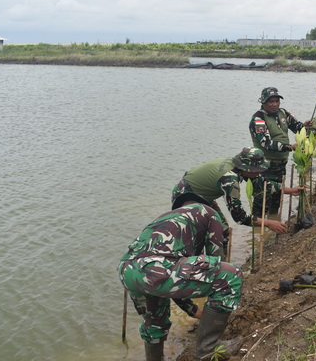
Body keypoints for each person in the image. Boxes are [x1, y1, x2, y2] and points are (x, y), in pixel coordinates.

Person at [118, 194, 242, 361]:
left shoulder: (166, 220)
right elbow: (214, 262)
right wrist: (219, 302)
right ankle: (208, 351)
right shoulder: (210, 213)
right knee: (230, 277)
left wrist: (192, 310)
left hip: (128, 271)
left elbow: (175, 278)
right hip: (157, 268)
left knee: (156, 320)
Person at [172, 147, 302, 236]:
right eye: (258, 169)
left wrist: (289, 190)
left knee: (222, 230)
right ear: (248, 169)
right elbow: (239, 217)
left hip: (203, 196)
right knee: (202, 233)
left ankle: (218, 264)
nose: (261, 171)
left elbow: (263, 184)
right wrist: (268, 223)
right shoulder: (230, 179)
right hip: (186, 196)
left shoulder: (239, 167)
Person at [249, 87, 304, 216]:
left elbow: (298, 127)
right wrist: (290, 147)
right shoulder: (258, 119)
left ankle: (272, 227)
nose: (274, 104)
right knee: (262, 201)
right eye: (271, 101)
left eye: (277, 101)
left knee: (277, 199)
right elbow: (266, 143)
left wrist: (307, 128)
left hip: (281, 164)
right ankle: (258, 233)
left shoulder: (284, 113)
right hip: (265, 166)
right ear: (263, 102)